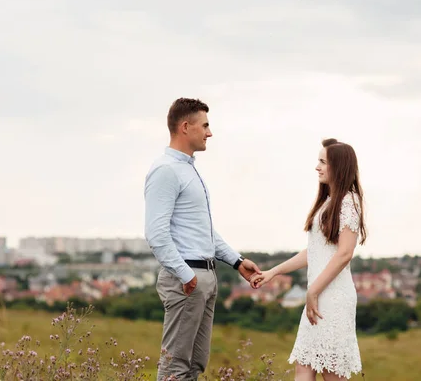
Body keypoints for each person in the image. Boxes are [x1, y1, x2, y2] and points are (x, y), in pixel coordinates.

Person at [144, 97, 262, 381]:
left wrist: (236, 261)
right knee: (175, 367)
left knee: (195, 365)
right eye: (205, 125)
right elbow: (156, 233)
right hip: (187, 278)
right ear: (186, 127)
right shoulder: (166, 170)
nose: (210, 133)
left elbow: (204, 231)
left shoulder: (188, 169)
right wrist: (185, 275)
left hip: (204, 276)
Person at [250, 138, 367, 381]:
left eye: (323, 162)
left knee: (331, 373)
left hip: (333, 298)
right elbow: (313, 251)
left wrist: (313, 290)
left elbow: (344, 253)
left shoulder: (348, 202)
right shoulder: (327, 202)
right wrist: (274, 272)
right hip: (317, 295)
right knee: (304, 366)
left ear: (339, 166)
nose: (317, 167)